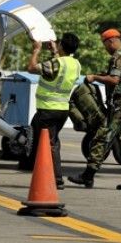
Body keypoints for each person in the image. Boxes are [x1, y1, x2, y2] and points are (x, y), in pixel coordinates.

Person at [68, 28, 121, 191]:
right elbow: (118, 78)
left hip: (120, 105)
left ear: (111, 41)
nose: (105, 48)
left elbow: (114, 80)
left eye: (105, 44)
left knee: (102, 137)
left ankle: (88, 175)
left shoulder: (118, 57)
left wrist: (94, 77)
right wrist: (102, 75)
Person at [25, 33, 81, 190]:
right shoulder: (75, 64)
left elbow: (31, 68)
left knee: (50, 144)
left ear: (62, 45)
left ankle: (57, 179)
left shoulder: (57, 63)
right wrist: (55, 52)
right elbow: (59, 67)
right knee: (43, 137)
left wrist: (36, 50)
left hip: (48, 110)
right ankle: (34, 167)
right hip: (62, 109)